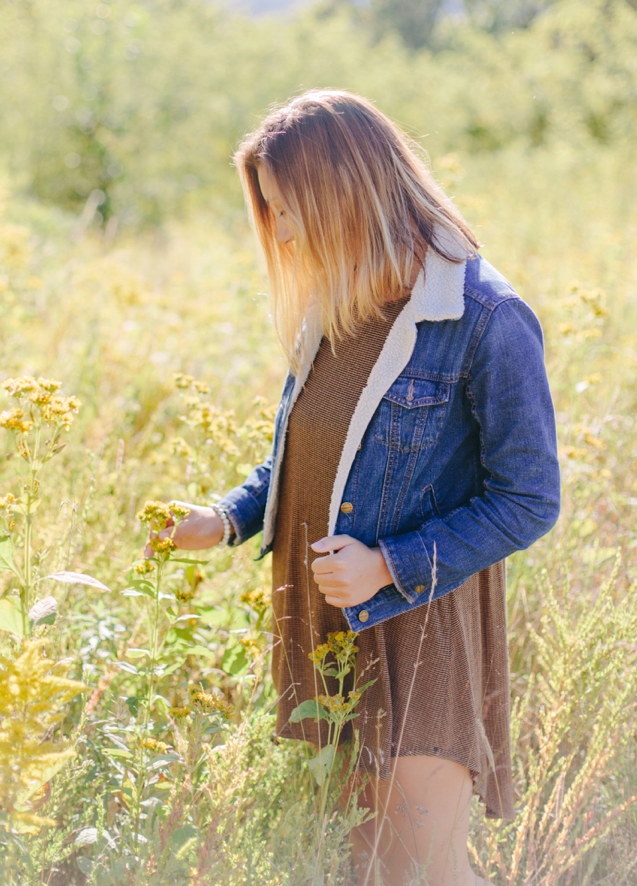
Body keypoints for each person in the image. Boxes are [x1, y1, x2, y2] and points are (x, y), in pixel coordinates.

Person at [155, 91, 559, 885]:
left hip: (419, 625)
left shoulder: (485, 317)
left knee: (426, 873)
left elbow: (530, 499)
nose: (283, 231)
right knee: (366, 865)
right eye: (271, 210)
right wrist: (225, 519)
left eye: (290, 207)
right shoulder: (339, 301)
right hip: (327, 623)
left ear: (349, 193)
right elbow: (310, 458)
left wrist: (389, 563)